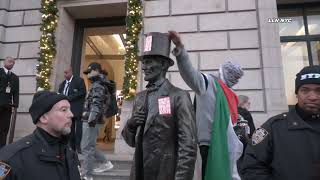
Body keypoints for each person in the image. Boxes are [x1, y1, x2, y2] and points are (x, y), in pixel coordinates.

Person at [169, 31, 244, 180]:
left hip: (219, 146)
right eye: (234, 77)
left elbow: (190, 75)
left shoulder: (221, 89)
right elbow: (190, 74)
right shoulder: (214, 85)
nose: (235, 80)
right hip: (216, 146)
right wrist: (181, 51)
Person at [122, 32, 197, 180]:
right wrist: (131, 125)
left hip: (165, 174)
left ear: (163, 64)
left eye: (149, 62)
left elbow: (188, 146)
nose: (144, 67)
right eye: (144, 62)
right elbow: (131, 142)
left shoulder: (178, 96)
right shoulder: (140, 97)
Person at [241, 65, 320, 180]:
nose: (312, 97)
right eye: (305, 90)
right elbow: (251, 168)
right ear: (297, 94)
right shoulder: (273, 128)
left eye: (319, 90)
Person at [0, 91, 81, 180]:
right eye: (64, 110)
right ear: (43, 118)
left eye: (70, 109)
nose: (71, 115)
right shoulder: (12, 158)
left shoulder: (69, 153)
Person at [81, 62, 114, 180]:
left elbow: (97, 102)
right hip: (92, 118)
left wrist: (92, 118)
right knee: (89, 146)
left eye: (89, 71)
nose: (88, 74)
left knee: (86, 147)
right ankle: (105, 163)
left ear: (96, 70)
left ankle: (87, 175)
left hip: (91, 119)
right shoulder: (99, 83)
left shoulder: (98, 85)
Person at [58, 66, 86, 153]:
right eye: (64, 73)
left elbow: (82, 92)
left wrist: (69, 98)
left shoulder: (79, 81)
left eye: (67, 73)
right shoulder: (62, 84)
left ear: (71, 72)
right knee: (70, 128)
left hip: (77, 109)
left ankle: (78, 146)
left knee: (78, 129)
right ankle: (71, 146)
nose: (65, 75)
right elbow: (60, 94)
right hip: (66, 110)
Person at [0, 56, 19, 148]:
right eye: (9, 61)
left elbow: (16, 92)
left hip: (8, 106)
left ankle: (2, 149)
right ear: (4, 62)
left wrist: (16, 104)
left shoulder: (15, 77)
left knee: (4, 129)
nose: (11, 63)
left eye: (13, 62)